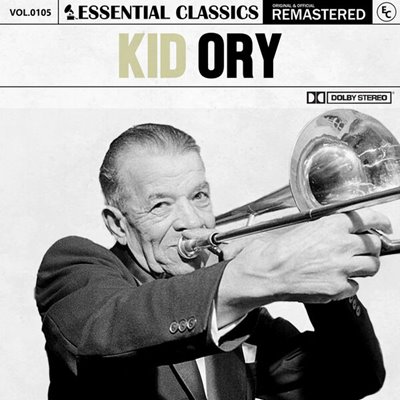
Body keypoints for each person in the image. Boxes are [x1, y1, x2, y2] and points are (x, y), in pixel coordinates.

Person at [36, 123, 389, 400]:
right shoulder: (74, 265)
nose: (192, 220)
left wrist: (323, 276)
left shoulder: (236, 316)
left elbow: (353, 377)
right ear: (117, 224)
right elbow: (107, 329)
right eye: (160, 205)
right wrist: (262, 274)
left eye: (199, 196)